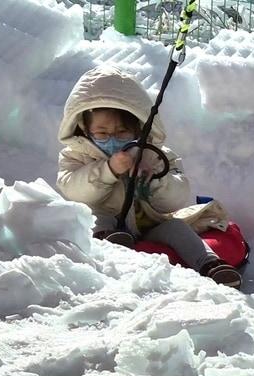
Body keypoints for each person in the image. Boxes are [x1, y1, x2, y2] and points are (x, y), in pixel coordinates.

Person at [56, 65, 242, 288]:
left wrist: (155, 179)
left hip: (151, 224)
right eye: (102, 133)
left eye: (122, 132)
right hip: (109, 222)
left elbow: (176, 198)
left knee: (177, 228)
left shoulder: (157, 156)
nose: (113, 139)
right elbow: (73, 190)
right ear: (84, 130)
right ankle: (111, 244)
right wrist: (108, 170)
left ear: (139, 129)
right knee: (96, 218)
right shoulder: (75, 156)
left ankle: (211, 265)